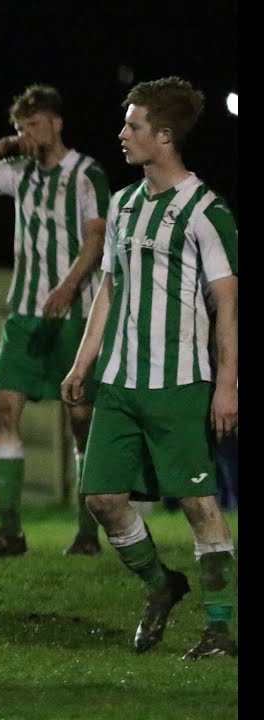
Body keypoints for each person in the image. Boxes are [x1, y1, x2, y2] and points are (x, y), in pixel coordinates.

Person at [61, 76, 237, 659]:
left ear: (164, 137)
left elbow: (228, 305)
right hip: (119, 382)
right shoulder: (123, 204)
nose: (123, 134)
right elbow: (107, 293)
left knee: (198, 504)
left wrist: (227, 387)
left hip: (180, 386)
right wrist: (82, 365)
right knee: (103, 499)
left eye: (134, 126)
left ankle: (219, 631)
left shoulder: (207, 211)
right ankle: (162, 587)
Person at [0, 83, 111, 557]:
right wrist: (3, 145)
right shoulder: (18, 172)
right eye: (21, 127)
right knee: (3, 410)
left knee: (81, 420)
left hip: (75, 314)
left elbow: (96, 239)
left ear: (56, 122)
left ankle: (87, 532)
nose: (28, 135)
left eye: (33, 125)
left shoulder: (85, 174)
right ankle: (10, 532)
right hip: (25, 316)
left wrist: (69, 284)